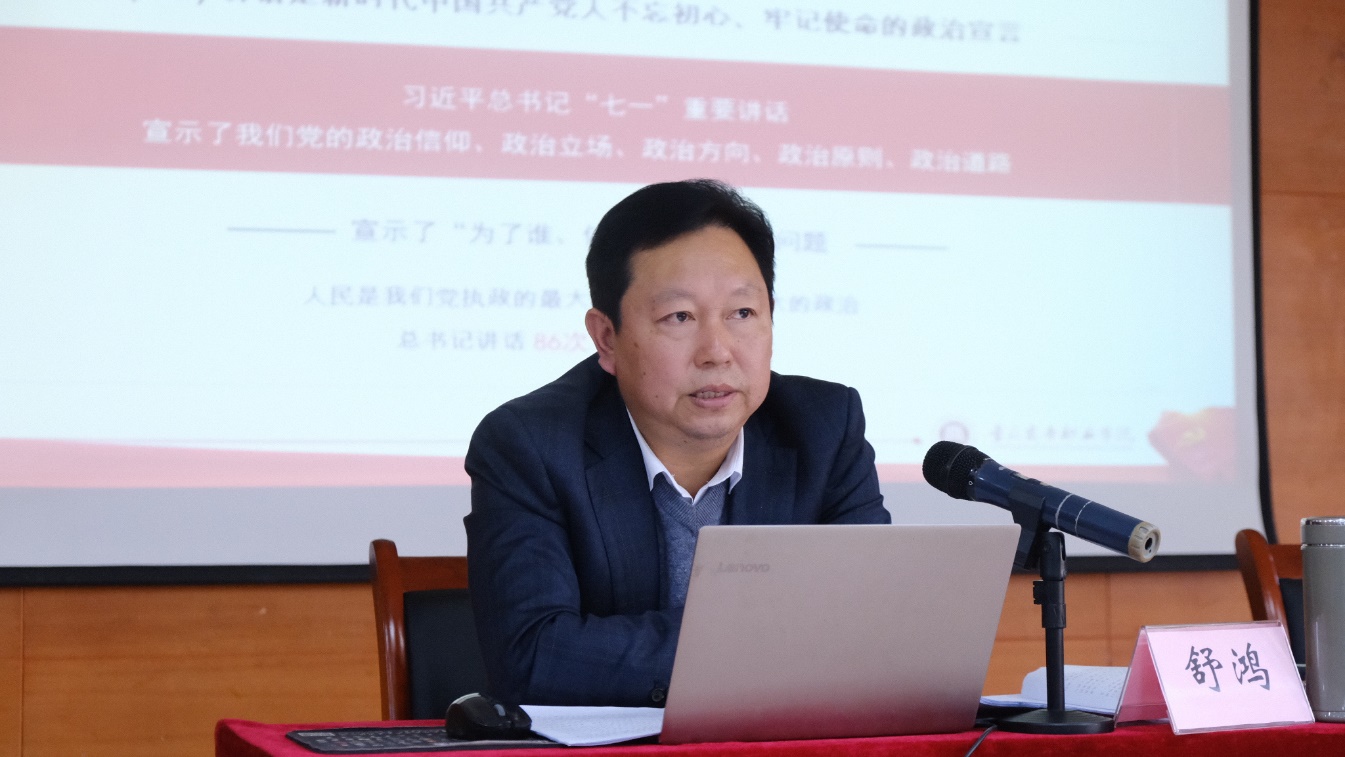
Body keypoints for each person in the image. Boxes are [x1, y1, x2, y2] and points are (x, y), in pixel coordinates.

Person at [464, 179, 889, 707]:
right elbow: (532, 658)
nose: (717, 352)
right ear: (607, 338)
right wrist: (764, 642)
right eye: (679, 317)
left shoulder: (823, 429)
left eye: (742, 313)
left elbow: (874, 625)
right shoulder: (531, 445)